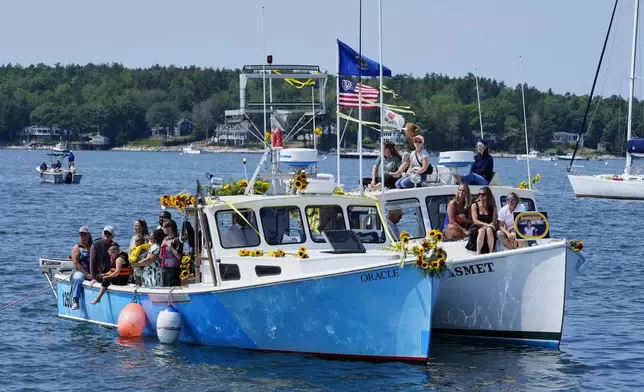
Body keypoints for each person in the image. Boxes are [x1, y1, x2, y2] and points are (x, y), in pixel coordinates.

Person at [466, 187, 498, 255]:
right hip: (477, 226)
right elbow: (475, 221)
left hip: (489, 227)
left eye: (483, 194)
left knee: (489, 230)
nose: (480, 196)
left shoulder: (493, 207)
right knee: (481, 231)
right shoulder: (474, 205)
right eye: (479, 194)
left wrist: (488, 226)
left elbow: (494, 221)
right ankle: (478, 253)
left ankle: (491, 252)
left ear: (488, 195)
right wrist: (486, 225)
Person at [69, 226, 93, 310]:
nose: (82, 236)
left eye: (84, 234)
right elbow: (76, 262)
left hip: (92, 271)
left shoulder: (93, 246)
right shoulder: (77, 247)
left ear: (88, 235)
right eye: (81, 234)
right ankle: (75, 300)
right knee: (78, 278)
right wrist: (86, 274)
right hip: (80, 271)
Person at [161, 219, 184, 287]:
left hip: (173, 269)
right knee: (165, 286)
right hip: (165, 267)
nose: (162, 229)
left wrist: (170, 247)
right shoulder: (165, 239)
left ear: (169, 228)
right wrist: (162, 247)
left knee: (173, 286)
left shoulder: (177, 239)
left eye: (164, 227)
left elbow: (179, 256)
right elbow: (160, 256)